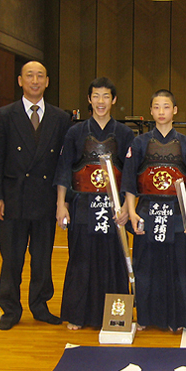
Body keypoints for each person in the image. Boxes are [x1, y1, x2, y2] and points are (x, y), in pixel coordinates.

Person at [0, 61, 72, 330]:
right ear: (20, 80)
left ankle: (39, 305)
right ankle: (10, 309)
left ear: (47, 81)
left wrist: (63, 201)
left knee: (42, 256)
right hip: (13, 198)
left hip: (45, 199)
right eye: (29, 76)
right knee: (11, 257)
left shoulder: (61, 118)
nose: (35, 81)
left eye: (40, 76)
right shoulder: (4, 115)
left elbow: (63, 163)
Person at [54, 77, 135, 330]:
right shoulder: (75, 132)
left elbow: (131, 175)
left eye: (106, 96)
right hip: (83, 205)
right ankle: (79, 315)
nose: (101, 102)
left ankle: (115, 316)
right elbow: (64, 169)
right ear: (89, 100)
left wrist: (128, 208)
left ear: (114, 100)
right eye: (96, 96)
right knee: (81, 260)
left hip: (114, 208)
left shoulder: (124, 133)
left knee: (115, 260)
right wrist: (61, 204)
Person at [120, 89, 186, 332]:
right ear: (151, 111)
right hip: (147, 211)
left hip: (177, 214)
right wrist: (131, 212)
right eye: (157, 107)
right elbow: (130, 181)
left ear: (174, 110)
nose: (162, 112)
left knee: (176, 264)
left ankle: (177, 317)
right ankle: (146, 316)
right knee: (146, 266)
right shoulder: (140, 143)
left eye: (166, 107)